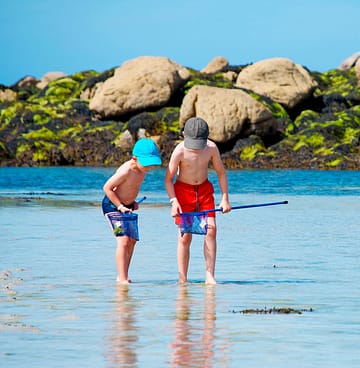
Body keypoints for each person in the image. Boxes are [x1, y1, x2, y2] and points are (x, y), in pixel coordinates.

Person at [164, 117, 231, 284]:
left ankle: (210, 275)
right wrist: (174, 202)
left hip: (204, 191)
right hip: (182, 193)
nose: (195, 148)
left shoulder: (211, 148)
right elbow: (168, 179)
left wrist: (225, 199)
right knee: (185, 236)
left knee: (211, 230)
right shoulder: (179, 151)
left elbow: (221, 173)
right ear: (184, 136)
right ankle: (182, 278)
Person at [102, 138, 162, 284]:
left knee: (132, 240)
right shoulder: (126, 170)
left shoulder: (141, 170)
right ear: (134, 159)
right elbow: (107, 188)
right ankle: (121, 277)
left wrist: (132, 202)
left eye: (152, 164)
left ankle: (124, 274)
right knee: (123, 241)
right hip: (112, 206)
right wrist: (120, 205)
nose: (150, 168)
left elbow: (130, 188)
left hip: (127, 207)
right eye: (147, 164)